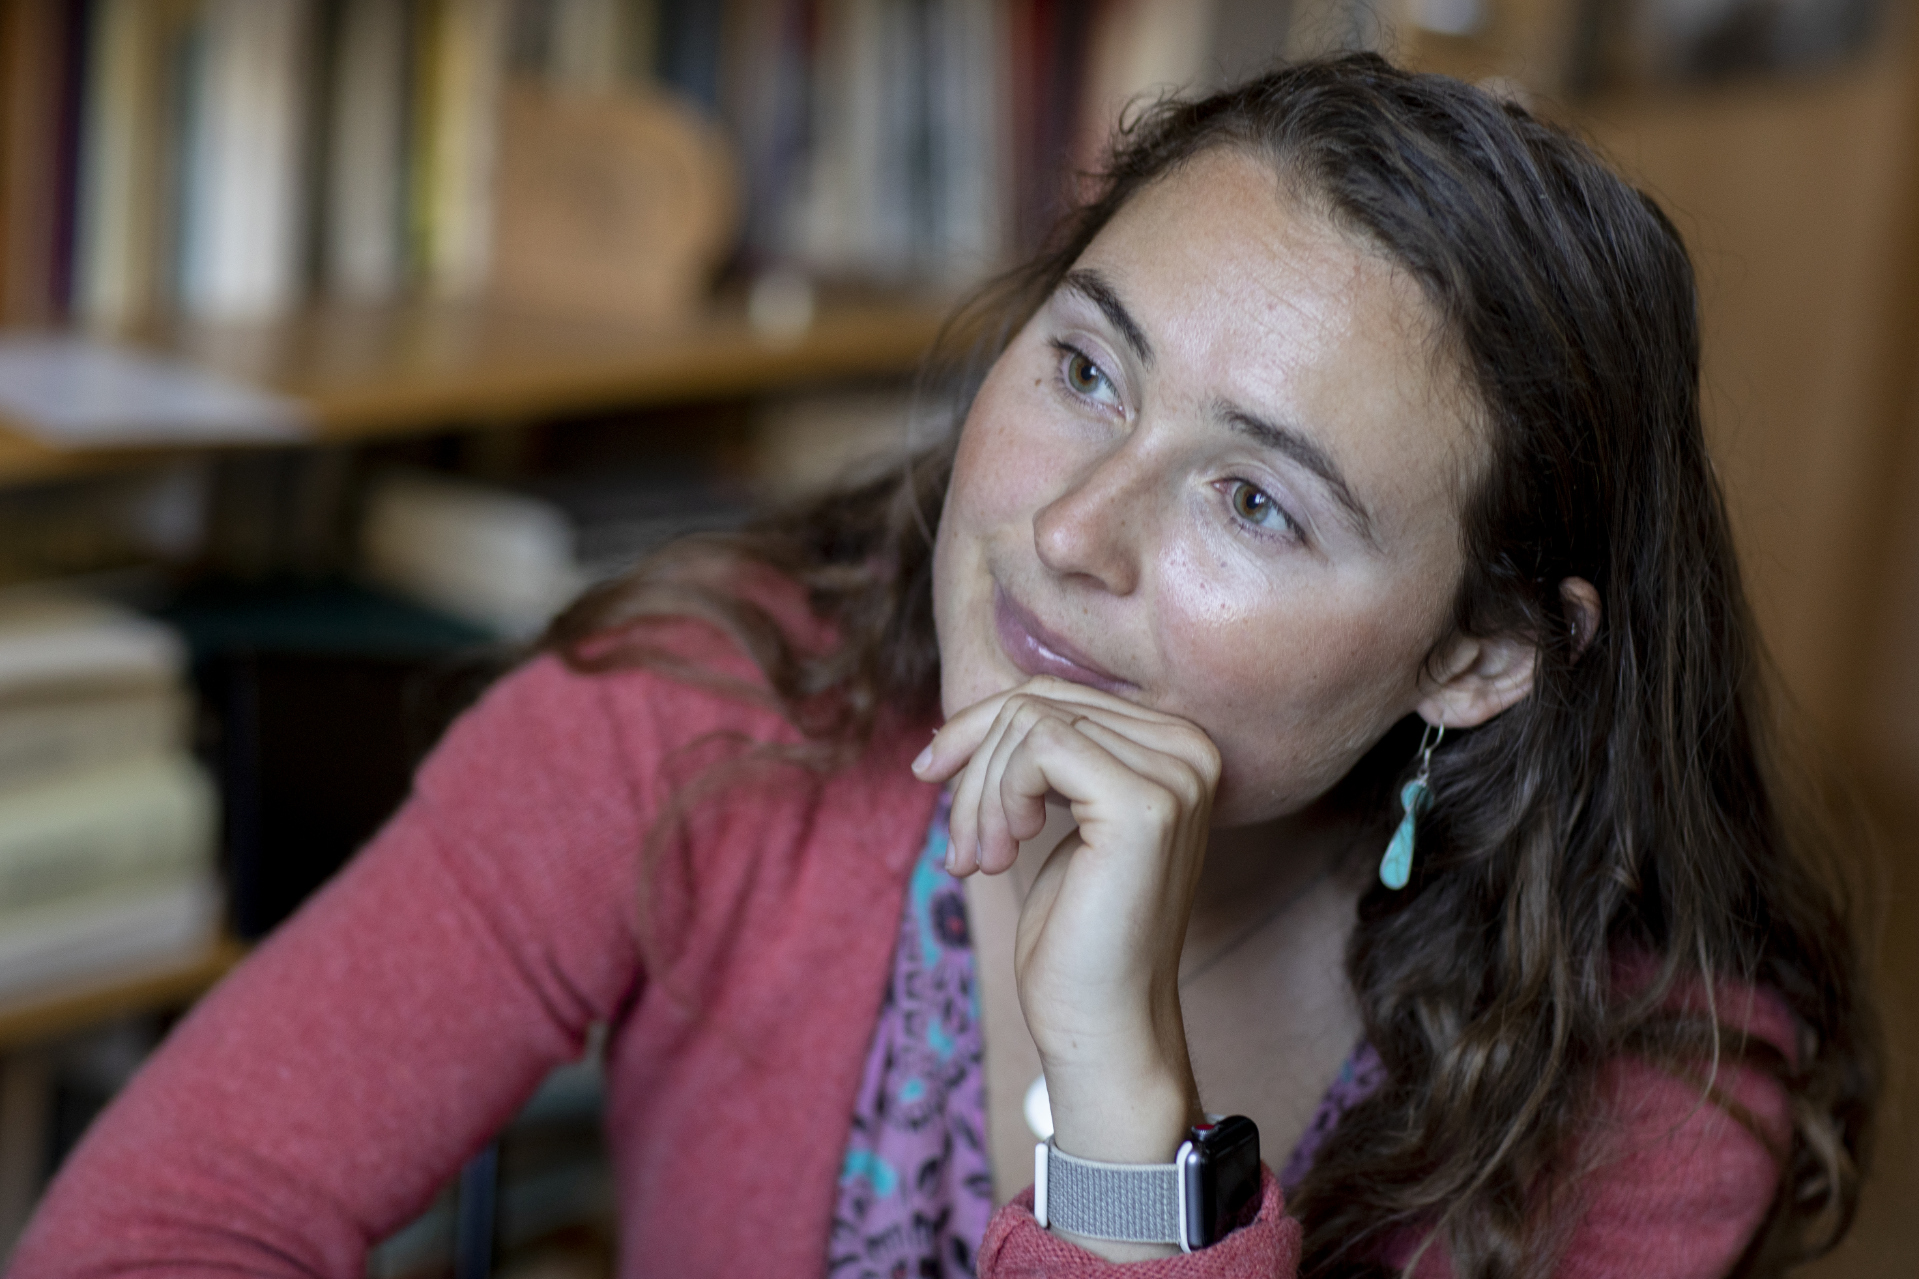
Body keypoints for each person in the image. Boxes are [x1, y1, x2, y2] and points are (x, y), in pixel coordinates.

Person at [11, 54, 1876, 1279]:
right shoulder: (705, 715)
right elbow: (163, 1226)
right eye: (1084, 370)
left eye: (1254, 499)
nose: (1071, 531)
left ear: (1478, 660)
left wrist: (1117, 1105)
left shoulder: (1651, 1082)